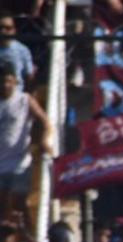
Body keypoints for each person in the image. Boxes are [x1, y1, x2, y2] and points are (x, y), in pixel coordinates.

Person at [0, 64, 50, 227]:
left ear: (15, 81)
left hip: (19, 163)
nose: (5, 85)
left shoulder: (24, 99)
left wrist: (44, 140)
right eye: (2, 81)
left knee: (18, 201)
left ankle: (27, 236)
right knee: (3, 207)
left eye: (8, 80)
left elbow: (45, 122)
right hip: (1, 165)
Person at [0, 15, 33, 89]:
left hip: (16, 94)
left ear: (14, 30)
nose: (3, 31)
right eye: (0, 28)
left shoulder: (23, 50)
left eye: (8, 28)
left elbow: (29, 75)